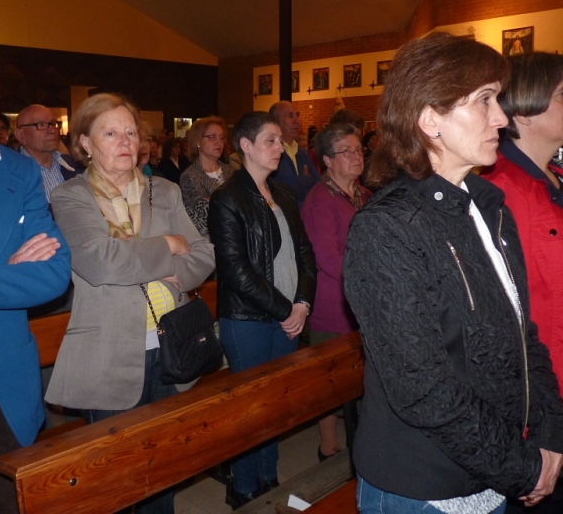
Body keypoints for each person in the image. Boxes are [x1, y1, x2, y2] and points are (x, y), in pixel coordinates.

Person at [343, 33, 563, 514]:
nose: (502, 118)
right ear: (429, 120)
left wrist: (550, 435)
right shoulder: (386, 229)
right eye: (484, 100)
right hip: (423, 485)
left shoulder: (488, 208)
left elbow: (523, 335)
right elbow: (422, 388)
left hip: (495, 468)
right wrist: (523, 467)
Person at [45, 93, 215, 514]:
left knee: (163, 476)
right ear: (85, 143)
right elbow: (100, 262)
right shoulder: (71, 197)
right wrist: (167, 247)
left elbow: (205, 254)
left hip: (170, 347)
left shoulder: (164, 191)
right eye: (110, 132)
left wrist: (175, 265)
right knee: (116, 483)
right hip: (107, 355)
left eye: (131, 131)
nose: (126, 141)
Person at [0, 35, 70, 513]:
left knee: (0, 502)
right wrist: (2, 275)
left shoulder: (17, 172)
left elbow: (53, 274)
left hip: (3, 372)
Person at [208, 111, 316, 509]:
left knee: (275, 405)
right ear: (246, 146)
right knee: (250, 410)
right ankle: (244, 484)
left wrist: (303, 304)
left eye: (278, 140)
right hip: (249, 320)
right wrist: (287, 309)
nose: (277, 147)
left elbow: (305, 252)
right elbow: (236, 270)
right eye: (269, 140)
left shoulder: (284, 194)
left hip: (288, 315)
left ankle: (268, 477)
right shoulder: (227, 198)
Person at [483, 52, 563, 513]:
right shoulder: (501, 190)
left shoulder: (549, 177)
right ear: (526, 111)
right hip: (535, 403)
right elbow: (506, 315)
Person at [301, 123, 371, 462]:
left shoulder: (364, 195)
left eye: (359, 149)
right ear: (327, 159)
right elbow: (328, 258)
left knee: (362, 377)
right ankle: (328, 445)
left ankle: (364, 439)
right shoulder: (320, 200)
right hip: (334, 304)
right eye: (347, 150)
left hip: (364, 303)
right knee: (329, 383)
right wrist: (373, 277)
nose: (357, 156)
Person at [180, 116, 234, 238]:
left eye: (221, 137)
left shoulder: (232, 171)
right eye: (212, 137)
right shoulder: (189, 176)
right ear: (198, 141)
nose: (219, 142)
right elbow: (204, 213)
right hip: (208, 244)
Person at [15, 104, 79, 202]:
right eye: (41, 125)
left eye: (53, 124)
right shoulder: (11, 172)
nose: (52, 130)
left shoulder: (74, 165)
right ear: (21, 136)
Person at [269, 101, 320, 207]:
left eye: (297, 115)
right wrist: (306, 181)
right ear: (275, 121)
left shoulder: (300, 151)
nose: (297, 121)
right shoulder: (271, 153)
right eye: (290, 116)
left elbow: (318, 185)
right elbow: (282, 193)